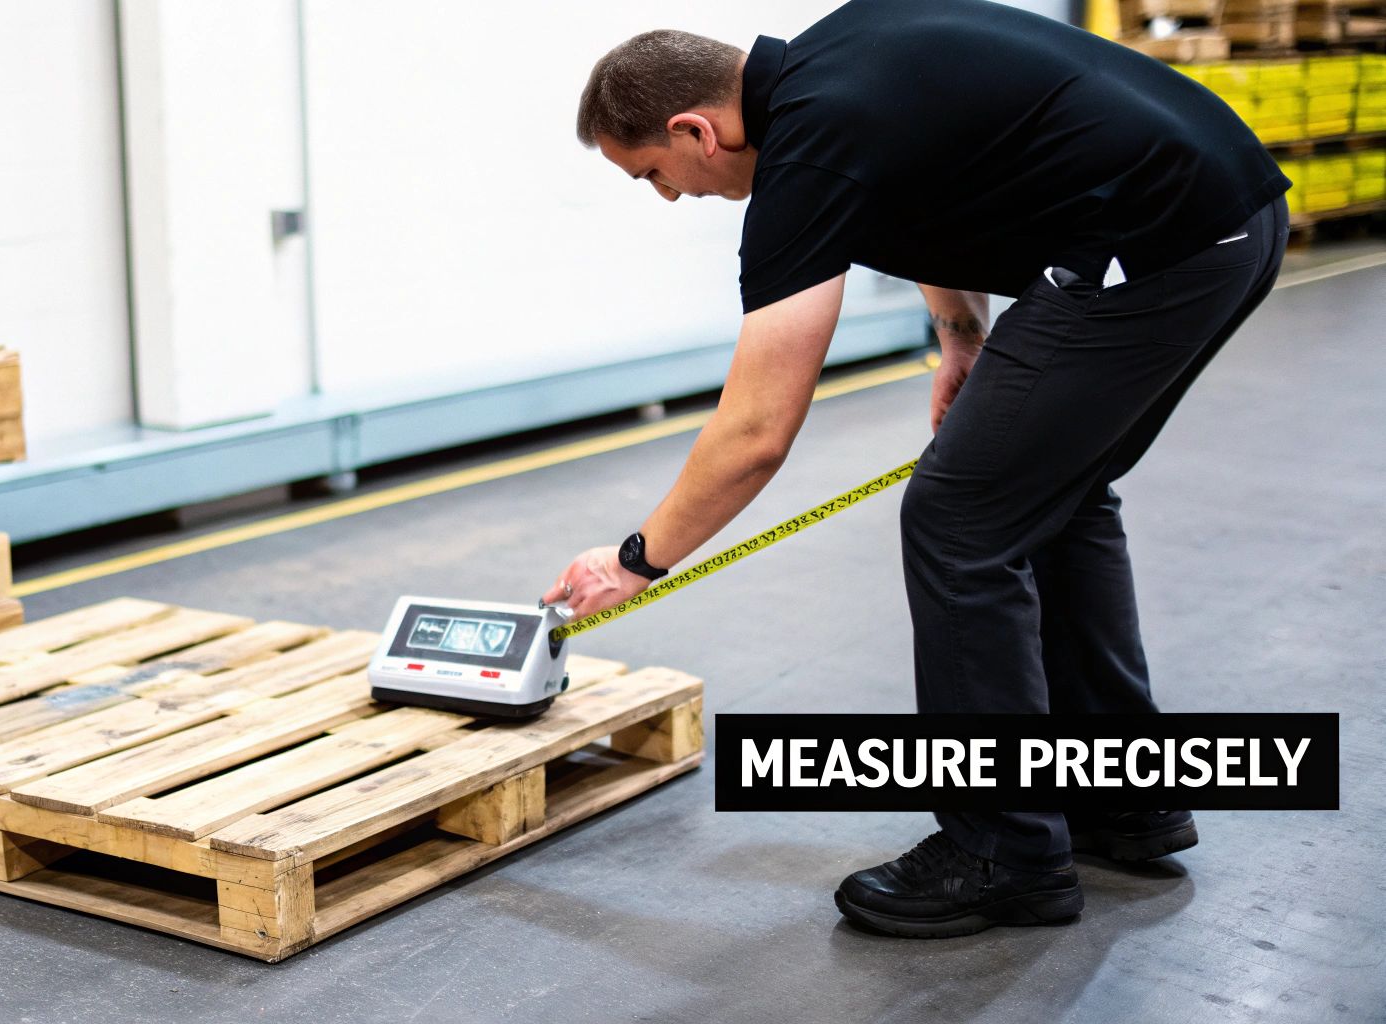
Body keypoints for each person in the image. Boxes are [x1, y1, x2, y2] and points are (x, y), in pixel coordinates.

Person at [545, 0, 1289, 938]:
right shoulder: (841, 67)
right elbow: (931, 192)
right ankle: (1121, 799)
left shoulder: (811, 148)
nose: (669, 195)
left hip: (1159, 242)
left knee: (959, 524)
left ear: (697, 129)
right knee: (1049, 499)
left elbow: (758, 427)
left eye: (654, 172)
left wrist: (635, 560)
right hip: (1222, 215)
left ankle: (1003, 850)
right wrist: (962, 335)